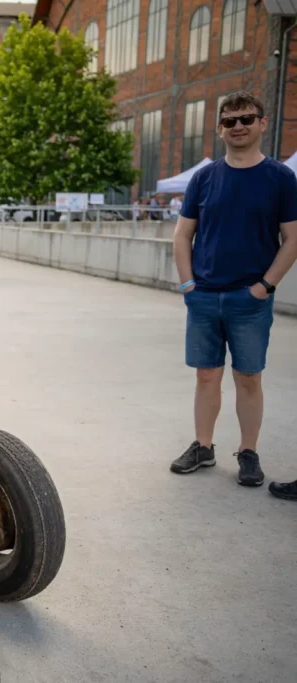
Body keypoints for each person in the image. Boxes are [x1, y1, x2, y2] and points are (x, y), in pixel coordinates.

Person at [169, 91, 297, 496]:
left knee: (248, 378)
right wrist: (189, 285)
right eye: (229, 121)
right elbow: (182, 235)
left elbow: (292, 239)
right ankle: (203, 446)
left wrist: (264, 286)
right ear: (219, 128)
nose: (238, 126)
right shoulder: (204, 178)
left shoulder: (280, 178)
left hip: (250, 299)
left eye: (246, 119)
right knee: (206, 376)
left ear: (262, 123)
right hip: (204, 296)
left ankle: (248, 452)